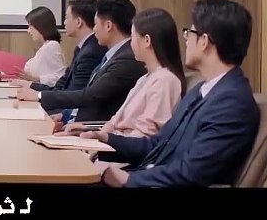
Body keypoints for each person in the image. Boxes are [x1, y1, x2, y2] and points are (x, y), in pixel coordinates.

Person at [85, 0, 260, 187]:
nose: (185, 38)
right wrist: (106, 139)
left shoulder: (231, 103)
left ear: (204, 41)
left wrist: (129, 179)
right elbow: (157, 145)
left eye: (190, 32)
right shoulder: (202, 90)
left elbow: (191, 173)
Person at [16, 0, 146, 123]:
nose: (94, 29)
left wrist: (39, 95)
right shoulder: (112, 54)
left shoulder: (124, 60)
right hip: (81, 122)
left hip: (91, 127)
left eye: (96, 24)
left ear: (108, 26)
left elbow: (90, 96)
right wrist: (65, 115)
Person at [58, 8, 184, 138]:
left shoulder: (165, 81)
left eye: (133, 36)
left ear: (147, 41)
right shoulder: (146, 78)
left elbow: (145, 137)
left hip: (120, 149)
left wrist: (103, 137)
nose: (130, 43)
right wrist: (88, 129)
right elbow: (118, 124)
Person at [19, 0, 107, 112]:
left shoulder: (90, 52)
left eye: (66, 18)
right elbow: (62, 84)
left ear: (79, 22)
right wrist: (33, 87)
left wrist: (38, 95)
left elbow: (75, 93)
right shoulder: (82, 48)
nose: (64, 22)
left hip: (71, 111)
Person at [13, 6, 66, 86]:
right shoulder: (46, 47)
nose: (28, 31)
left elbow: (59, 78)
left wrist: (34, 78)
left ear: (40, 26)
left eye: (30, 26)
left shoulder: (51, 46)